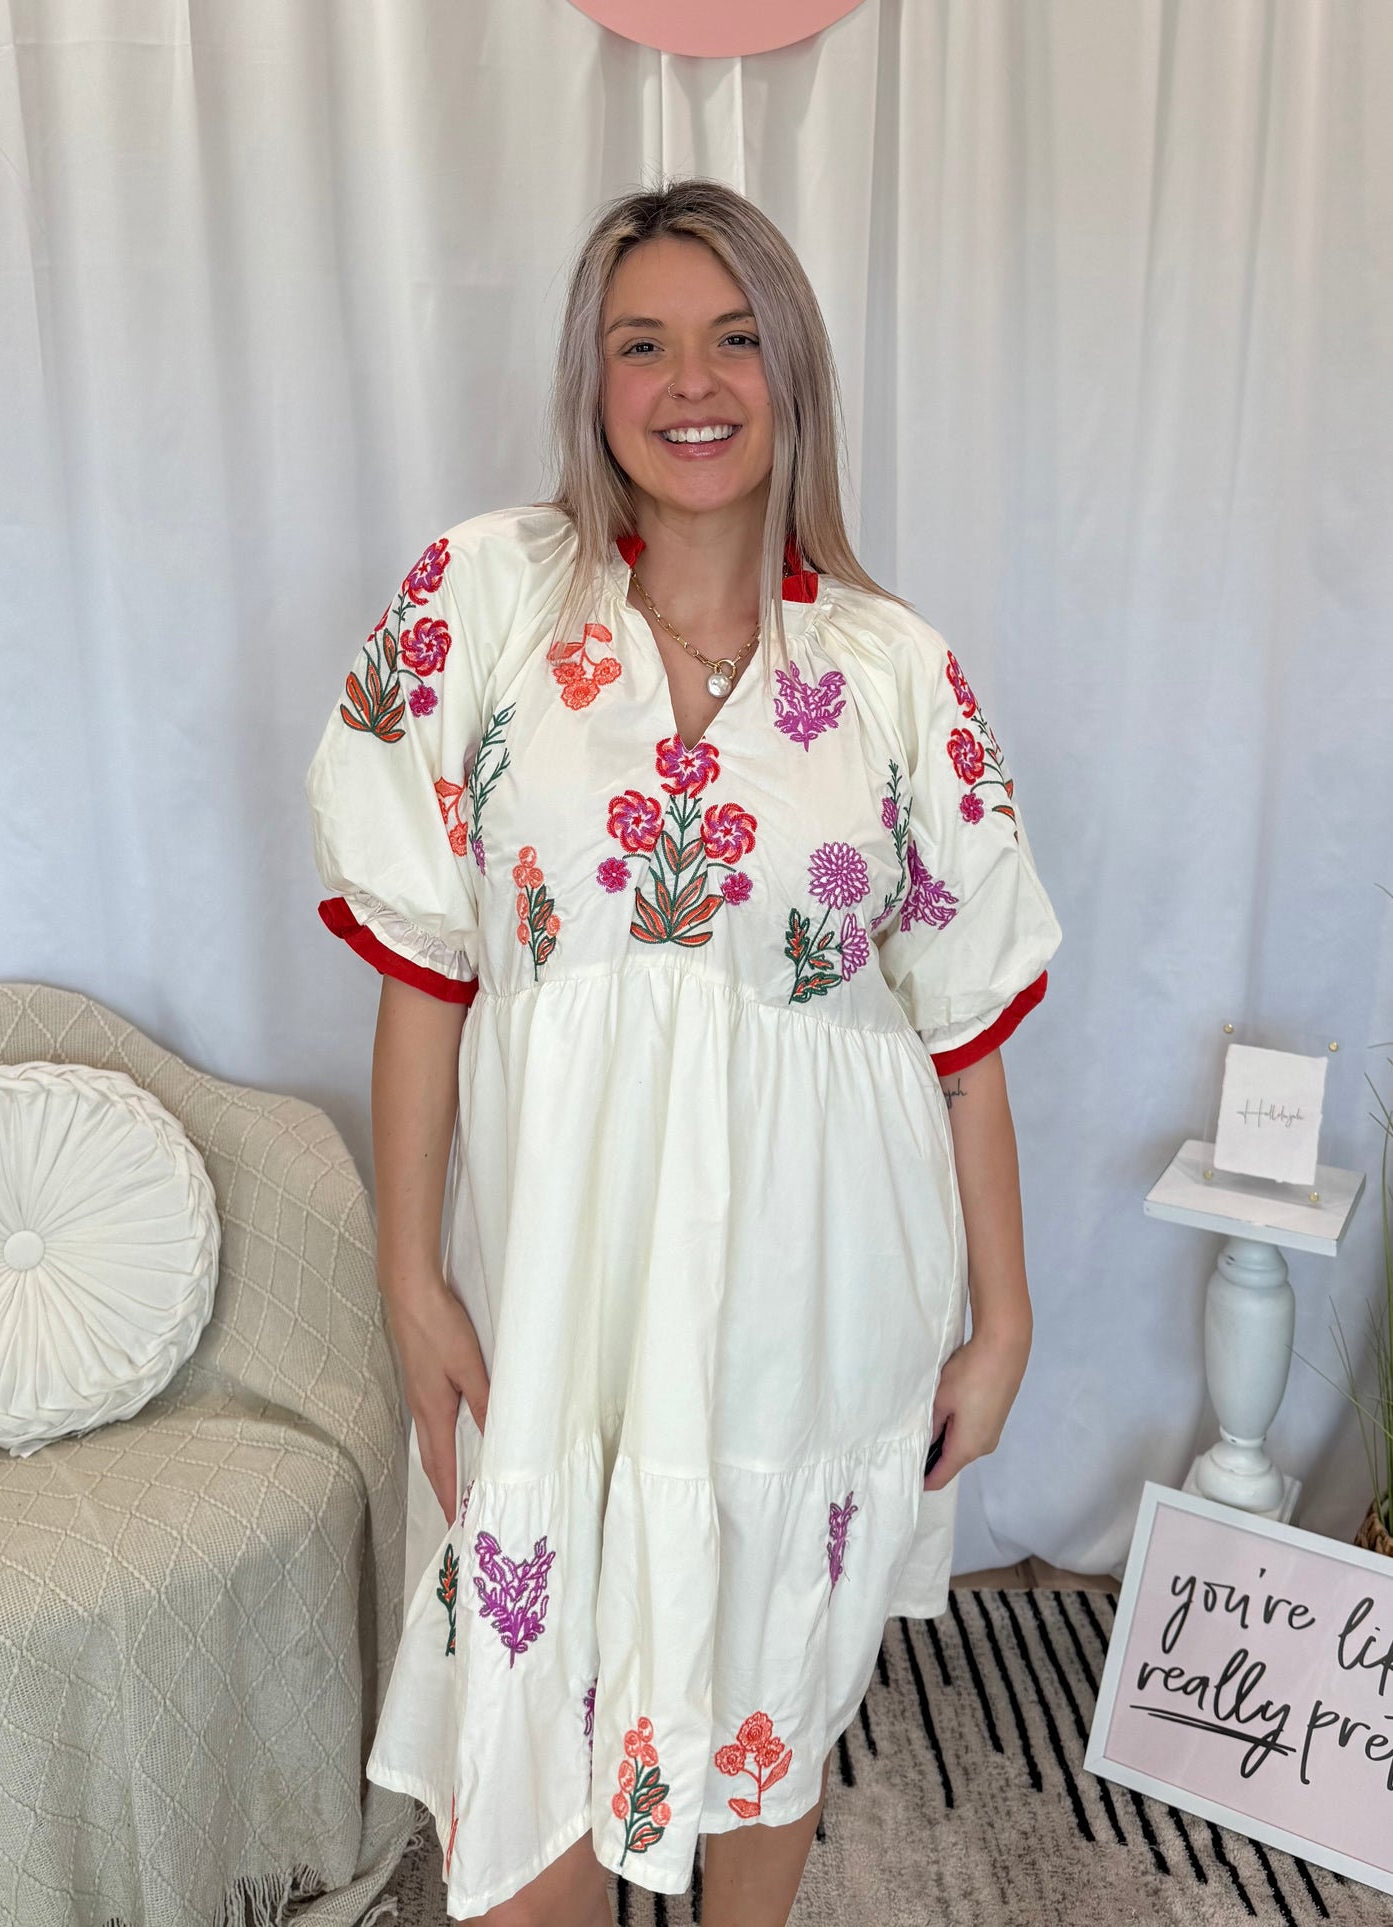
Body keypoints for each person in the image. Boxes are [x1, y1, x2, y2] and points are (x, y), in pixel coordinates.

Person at [305, 179, 1062, 1927]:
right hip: (559, 1291)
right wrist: (410, 1280)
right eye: (641, 345)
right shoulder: (487, 600)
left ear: (792, 372)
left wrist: (1003, 1320)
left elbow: (961, 1031)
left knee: (763, 1691)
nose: (690, 383)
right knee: (526, 1752)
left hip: (818, 1291)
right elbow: (426, 975)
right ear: (592, 380)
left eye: (732, 339)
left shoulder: (891, 670)